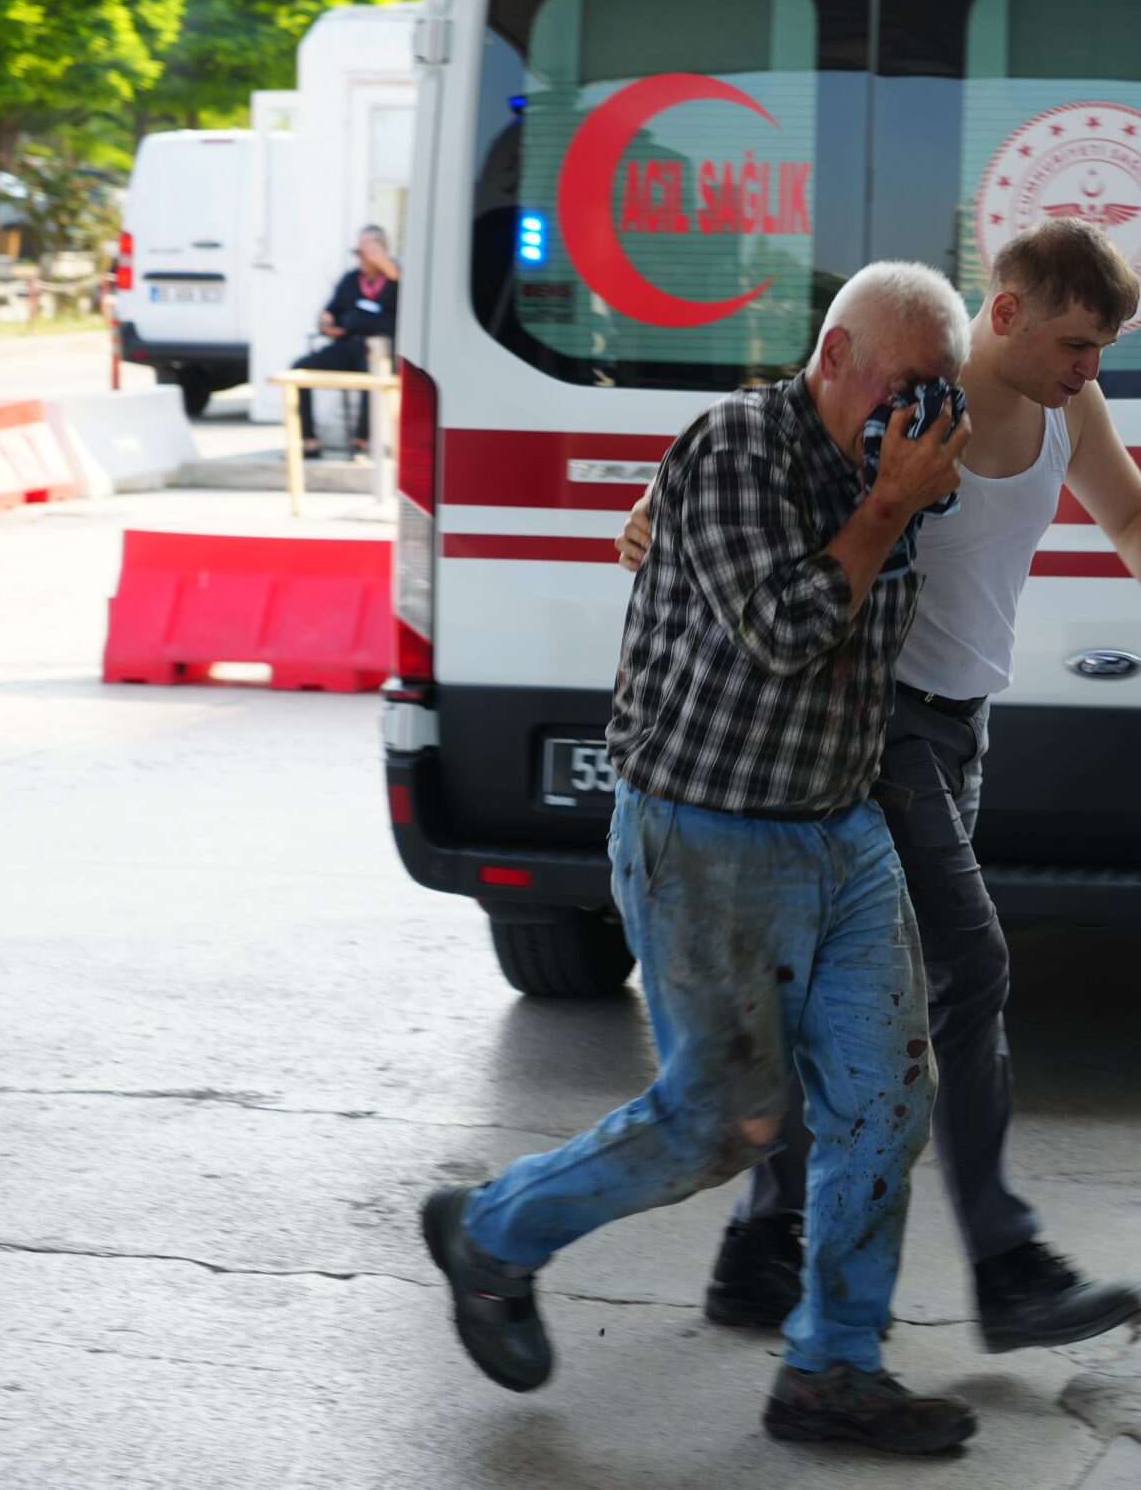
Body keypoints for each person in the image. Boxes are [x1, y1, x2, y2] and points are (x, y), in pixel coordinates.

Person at [619, 219, 1141, 1351]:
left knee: (863, 993)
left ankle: (763, 1245)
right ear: (1005, 313)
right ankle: (1003, 1262)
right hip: (882, 724)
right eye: (1074, 343)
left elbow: (1132, 514)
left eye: (1101, 350)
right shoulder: (922, 397)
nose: (1088, 370)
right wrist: (663, 507)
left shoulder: (1067, 408)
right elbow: (788, 434)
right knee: (969, 969)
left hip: (960, 727)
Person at [421, 261, 985, 1456]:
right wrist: (888, 504)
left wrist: (907, 483)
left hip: (841, 828)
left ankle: (834, 1368)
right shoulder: (737, 446)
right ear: (834, 357)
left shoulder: (901, 468)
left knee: (887, 1103)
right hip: (704, 831)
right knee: (725, 1120)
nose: (918, 413)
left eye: (938, 391)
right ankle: (493, 1233)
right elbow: (786, 629)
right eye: (902, 384)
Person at [292, 225, 401, 459]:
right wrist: (327, 323)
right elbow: (330, 311)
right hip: (347, 345)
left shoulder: (395, 279)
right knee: (298, 370)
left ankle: (361, 442)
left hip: (379, 349)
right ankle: (309, 440)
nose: (362, 256)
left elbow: (398, 280)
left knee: (373, 372)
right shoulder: (351, 280)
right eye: (359, 251)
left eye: (368, 250)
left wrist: (383, 262)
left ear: (382, 249)